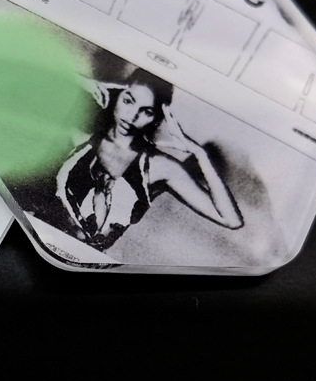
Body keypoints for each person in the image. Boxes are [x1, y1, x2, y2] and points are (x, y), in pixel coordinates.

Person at [55, 67, 243, 252]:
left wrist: (199, 152)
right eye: (128, 101)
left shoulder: (157, 166)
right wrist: (86, 82)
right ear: (118, 95)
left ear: (157, 118)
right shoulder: (82, 133)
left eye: (146, 111)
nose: (132, 116)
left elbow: (232, 220)